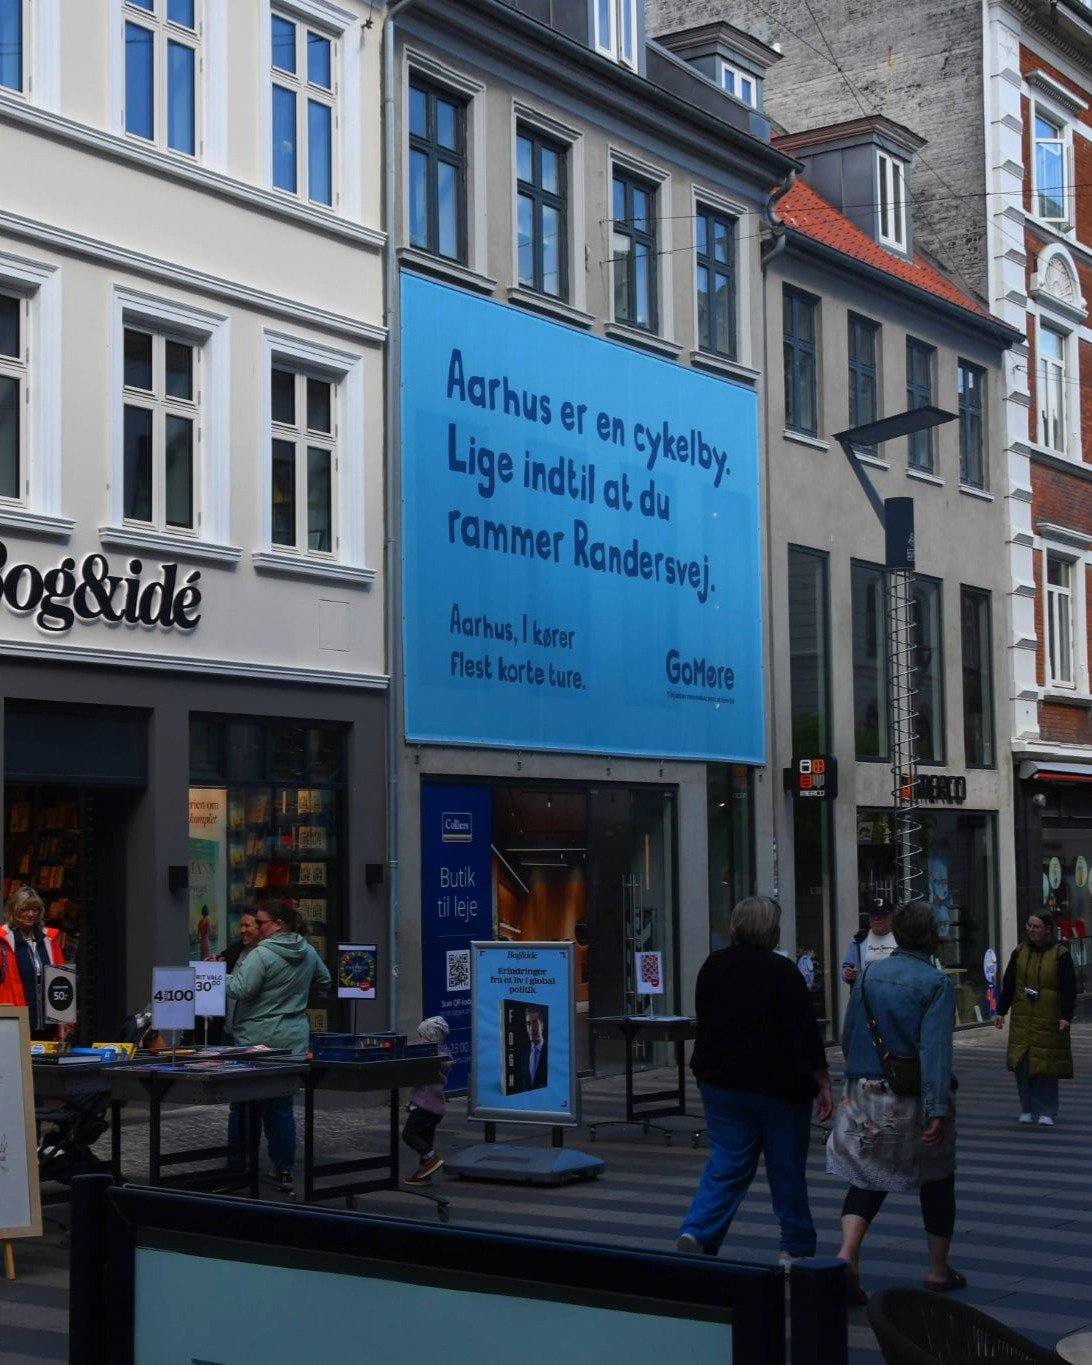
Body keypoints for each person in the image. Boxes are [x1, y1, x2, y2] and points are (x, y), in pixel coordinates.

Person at [677, 896, 833, 1263]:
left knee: (728, 1161)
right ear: (771, 929)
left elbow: (707, 1019)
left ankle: (697, 1231)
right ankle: (794, 1249)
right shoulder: (782, 972)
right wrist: (823, 1082)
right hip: (777, 1088)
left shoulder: (713, 966)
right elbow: (802, 1035)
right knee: (786, 1168)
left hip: (719, 1083)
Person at [827, 899, 960, 1305]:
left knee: (866, 1176)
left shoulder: (868, 977)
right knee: (937, 1178)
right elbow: (935, 1051)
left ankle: (847, 1255)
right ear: (932, 938)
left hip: (864, 1093)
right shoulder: (937, 984)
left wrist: (861, 1074)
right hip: (913, 1097)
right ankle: (937, 1270)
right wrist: (937, 1109)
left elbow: (849, 1037)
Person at [224, 900, 330, 1191]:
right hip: (292, 1039)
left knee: (243, 1104)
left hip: (255, 1039)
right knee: (281, 1106)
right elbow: (325, 980)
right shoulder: (306, 950)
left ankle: (236, 1167)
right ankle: (283, 1169)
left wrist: (213, 978)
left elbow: (241, 989)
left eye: (260, 923)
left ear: (278, 924)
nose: (256, 927)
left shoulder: (262, 954)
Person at [993, 908, 1074, 1127]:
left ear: (1047, 929)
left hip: (1048, 1019)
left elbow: (1069, 988)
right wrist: (1001, 1011)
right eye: (1029, 926)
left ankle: (1047, 1110)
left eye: (1036, 926)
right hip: (1023, 1018)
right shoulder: (1020, 952)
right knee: (1023, 1065)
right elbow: (1009, 984)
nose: (1031, 930)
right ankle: (1027, 1108)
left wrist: (1066, 1016)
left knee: (1046, 1066)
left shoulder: (1060, 954)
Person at [2, 886, 64, 1033]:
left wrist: (64, 1022)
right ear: (14, 910)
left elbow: (62, 981)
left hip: (49, 1025)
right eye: (25, 909)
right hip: (14, 1024)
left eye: (35, 910)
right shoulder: (3, 941)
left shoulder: (49, 939)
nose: (30, 914)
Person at [402, 1015, 453, 1184]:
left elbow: (416, 1077)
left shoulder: (429, 1058)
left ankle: (431, 1159)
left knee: (409, 1134)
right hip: (436, 1108)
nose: (419, 1039)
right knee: (426, 1139)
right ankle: (425, 1172)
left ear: (431, 1037)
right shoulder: (442, 1056)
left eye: (422, 1036)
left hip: (424, 1105)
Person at [842, 896, 897, 987]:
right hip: (866, 995)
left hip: (895, 993)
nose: (876, 918)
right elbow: (846, 969)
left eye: (882, 914)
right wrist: (848, 974)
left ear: (891, 916)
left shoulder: (900, 939)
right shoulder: (858, 940)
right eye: (873, 915)